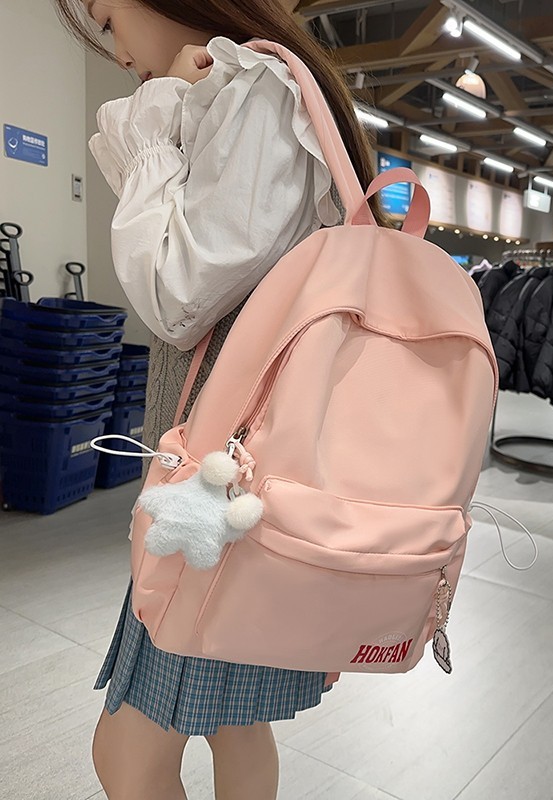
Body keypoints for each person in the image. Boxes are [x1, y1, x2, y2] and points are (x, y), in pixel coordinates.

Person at [55, 1, 391, 797]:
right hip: (241, 489)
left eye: (107, 19)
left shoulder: (258, 90)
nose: (117, 50)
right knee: (236, 723)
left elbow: (174, 297)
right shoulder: (253, 92)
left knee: (127, 757)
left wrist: (156, 123)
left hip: (218, 503)